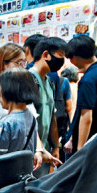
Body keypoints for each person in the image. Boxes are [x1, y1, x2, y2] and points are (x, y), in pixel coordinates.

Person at [65, 35, 97, 153]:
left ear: (74, 58)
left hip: (90, 140)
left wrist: (81, 149)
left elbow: (86, 117)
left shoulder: (87, 80)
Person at [29, 36, 66, 176]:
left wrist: (56, 145)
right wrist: (39, 148)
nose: (62, 62)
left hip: (46, 151)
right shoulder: (29, 80)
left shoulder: (50, 82)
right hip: (32, 152)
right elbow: (28, 120)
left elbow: (51, 116)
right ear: (45, 55)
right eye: (60, 56)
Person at [0, 68, 40, 157]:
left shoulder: (5, 124)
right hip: (25, 170)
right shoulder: (31, 117)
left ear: (8, 92)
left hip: (5, 171)